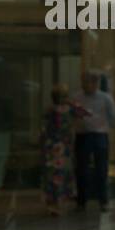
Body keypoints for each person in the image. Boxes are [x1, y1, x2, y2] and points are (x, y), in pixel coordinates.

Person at [70, 69, 115, 213]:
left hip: (99, 135)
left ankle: (103, 201)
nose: (86, 85)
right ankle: (81, 201)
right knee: (81, 170)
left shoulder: (105, 98)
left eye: (89, 82)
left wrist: (104, 125)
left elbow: (114, 117)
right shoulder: (77, 97)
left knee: (101, 169)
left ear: (96, 83)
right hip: (82, 136)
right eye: (84, 82)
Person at [41, 82, 77, 216]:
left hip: (54, 146)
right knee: (60, 174)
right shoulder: (68, 110)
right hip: (62, 146)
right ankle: (58, 202)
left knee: (53, 174)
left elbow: (43, 129)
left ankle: (54, 203)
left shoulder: (50, 110)